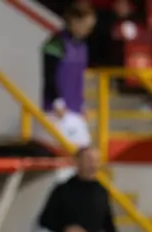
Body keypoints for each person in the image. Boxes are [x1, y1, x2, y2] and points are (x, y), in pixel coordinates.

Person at [36, 3, 96, 149]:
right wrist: (57, 102)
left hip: (75, 110)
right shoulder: (56, 44)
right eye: (86, 25)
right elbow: (48, 74)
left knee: (85, 151)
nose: (89, 30)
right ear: (74, 21)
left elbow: (77, 79)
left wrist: (81, 104)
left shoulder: (82, 47)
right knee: (66, 153)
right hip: (57, 112)